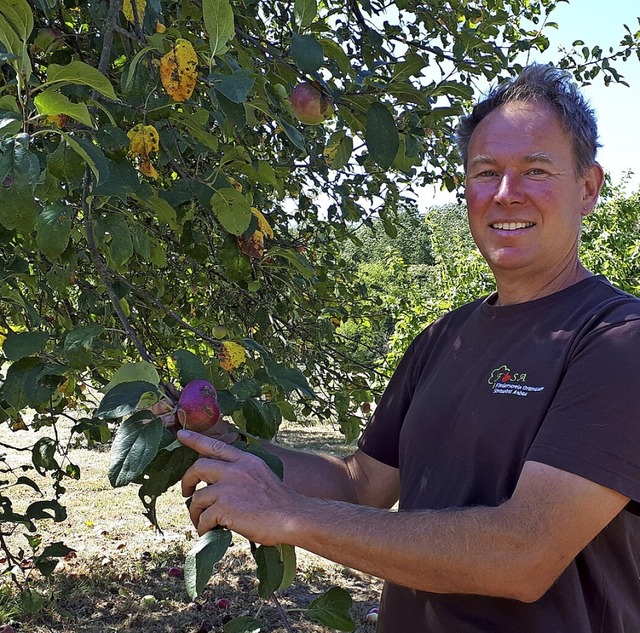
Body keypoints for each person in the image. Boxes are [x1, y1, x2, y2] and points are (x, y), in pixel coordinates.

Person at [176, 64, 640, 632]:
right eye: (485, 171)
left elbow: (523, 554)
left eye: (535, 170)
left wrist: (291, 515)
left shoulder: (618, 340)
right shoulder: (444, 339)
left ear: (588, 187)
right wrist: (224, 443)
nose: (505, 194)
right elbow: (361, 482)